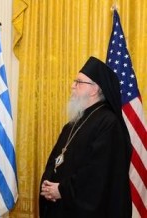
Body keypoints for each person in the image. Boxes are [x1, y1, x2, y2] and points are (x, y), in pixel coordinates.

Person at [39, 56, 132, 218]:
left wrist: (62, 190)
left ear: (95, 89)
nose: (72, 86)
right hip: (60, 207)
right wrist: (48, 185)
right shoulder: (73, 123)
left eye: (79, 82)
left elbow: (98, 174)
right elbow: (56, 159)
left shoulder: (109, 124)